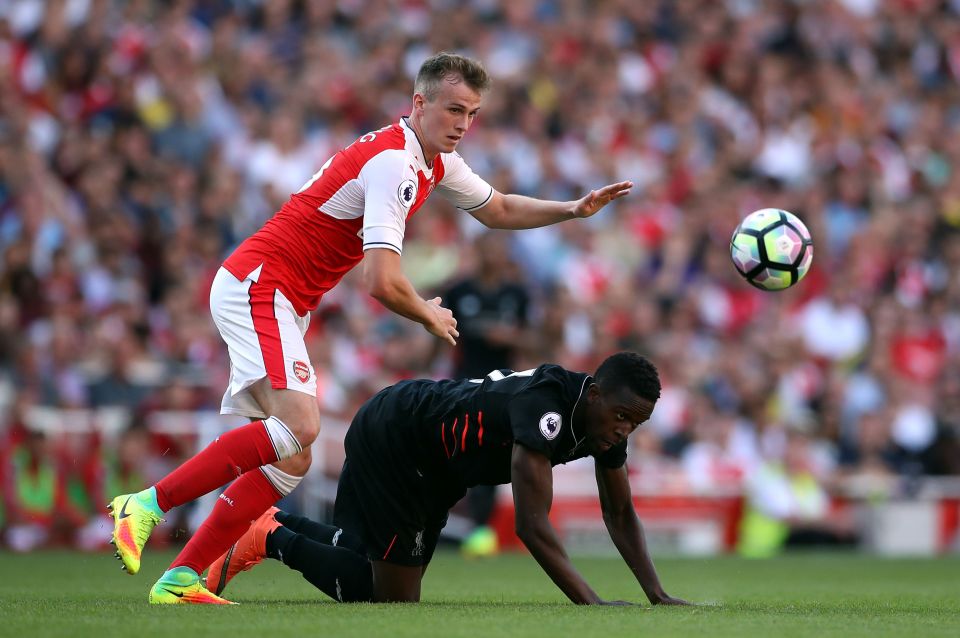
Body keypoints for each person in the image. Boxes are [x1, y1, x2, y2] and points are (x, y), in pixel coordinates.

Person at [108, 51, 634, 605]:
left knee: (292, 457)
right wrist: (429, 312)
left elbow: (497, 208)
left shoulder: (434, 161)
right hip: (261, 285)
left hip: (282, 296)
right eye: (454, 109)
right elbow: (380, 280)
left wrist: (572, 209)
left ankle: (181, 578)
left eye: (473, 113)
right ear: (419, 103)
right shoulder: (393, 163)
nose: (463, 124)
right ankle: (146, 504)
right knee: (301, 425)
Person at [206, 352, 690, 606]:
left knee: (365, 562)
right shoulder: (546, 408)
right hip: (400, 438)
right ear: (595, 394)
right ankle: (267, 537)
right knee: (387, 598)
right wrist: (592, 602)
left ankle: (269, 523)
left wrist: (657, 592)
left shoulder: (605, 426)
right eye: (622, 416)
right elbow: (531, 525)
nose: (625, 429)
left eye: (636, 423)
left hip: (435, 466)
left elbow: (620, 512)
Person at [442, 230, 531, 557]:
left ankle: (481, 528)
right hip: (465, 383)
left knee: (494, 451)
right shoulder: (458, 291)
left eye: (499, 249)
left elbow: (530, 339)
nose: (494, 256)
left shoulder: (516, 294)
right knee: (459, 449)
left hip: (502, 385)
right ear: (478, 252)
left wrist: (509, 338)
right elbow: (442, 332)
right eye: (488, 249)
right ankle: (450, 523)